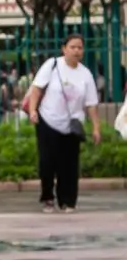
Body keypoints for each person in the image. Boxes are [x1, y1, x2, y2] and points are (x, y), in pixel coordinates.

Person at [27, 35, 102, 213]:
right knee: (47, 162)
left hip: (72, 125)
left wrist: (96, 128)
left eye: (80, 48)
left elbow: (91, 104)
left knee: (69, 165)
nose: (77, 51)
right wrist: (32, 111)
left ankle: (68, 200)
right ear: (64, 49)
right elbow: (36, 90)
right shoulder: (52, 66)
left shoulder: (85, 74)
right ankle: (47, 198)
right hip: (48, 121)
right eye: (73, 47)